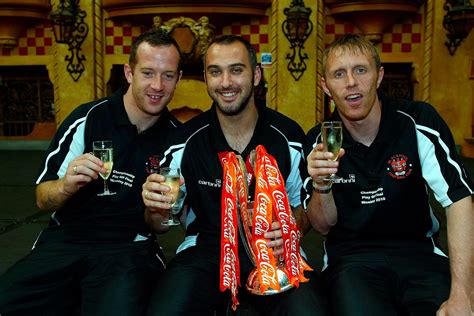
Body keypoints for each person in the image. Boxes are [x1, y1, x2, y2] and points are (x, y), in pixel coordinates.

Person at [0, 29, 183, 315]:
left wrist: (158, 211)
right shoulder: (88, 118)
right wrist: (66, 186)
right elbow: (41, 197)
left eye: (168, 75)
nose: (157, 85)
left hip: (128, 248)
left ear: (178, 79)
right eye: (147, 73)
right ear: (129, 73)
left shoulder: (177, 139)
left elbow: (158, 226)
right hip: (67, 239)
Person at [142, 35, 327, 315]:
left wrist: (292, 228)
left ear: (256, 75)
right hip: (205, 252)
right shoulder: (185, 141)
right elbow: (159, 225)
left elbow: (304, 210)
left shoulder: (287, 137)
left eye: (236, 70)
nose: (226, 82)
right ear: (206, 78)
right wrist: (155, 207)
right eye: (215, 72)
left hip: (276, 256)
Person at [303, 33, 474, 315]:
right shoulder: (320, 141)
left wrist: (463, 296)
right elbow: (322, 226)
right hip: (352, 261)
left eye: (361, 70)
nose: (351, 82)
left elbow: (458, 199)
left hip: (419, 255)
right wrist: (323, 185)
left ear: (379, 76)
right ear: (325, 86)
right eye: (338, 74)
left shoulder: (418, 121)